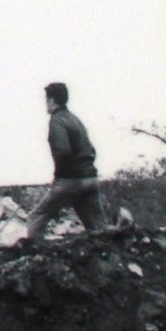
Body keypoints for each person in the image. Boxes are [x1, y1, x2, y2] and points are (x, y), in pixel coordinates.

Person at [23, 82, 106, 243]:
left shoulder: (57, 121)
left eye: (46, 100)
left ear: (52, 100)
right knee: (98, 229)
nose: (45, 104)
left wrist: (60, 177)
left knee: (36, 217)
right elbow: (92, 150)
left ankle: (33, 258)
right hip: (91, 179)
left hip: (71, 181)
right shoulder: (76, 120)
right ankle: (112, 257)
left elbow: (62, 151)